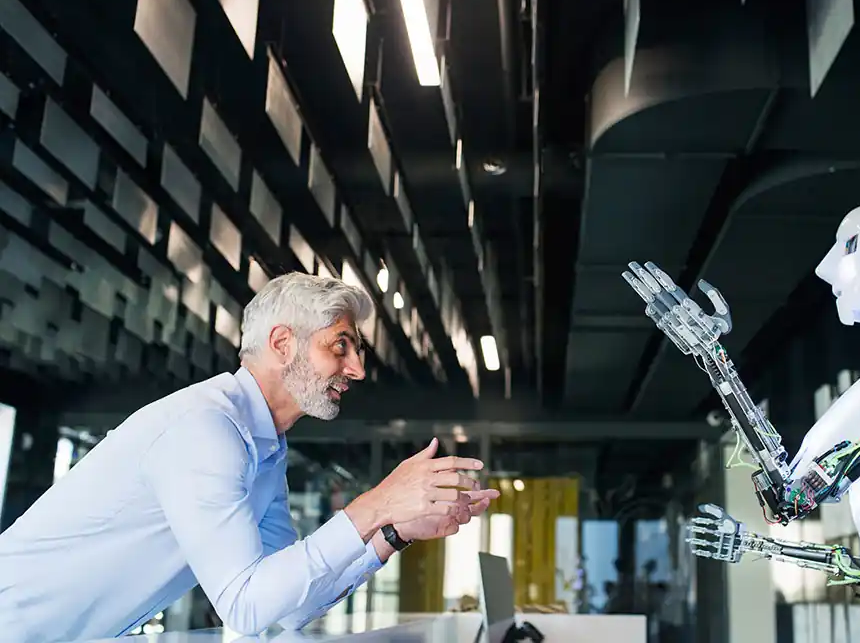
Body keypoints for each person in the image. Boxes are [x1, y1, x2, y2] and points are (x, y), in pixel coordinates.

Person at [0, 272, 499, 642]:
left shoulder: (262, 448)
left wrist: (393, 534)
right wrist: (376, 504)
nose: (357, 369)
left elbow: (286, 606)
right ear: (283, 343)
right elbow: (244, 605)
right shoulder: (207, 430)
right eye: (341, 346)